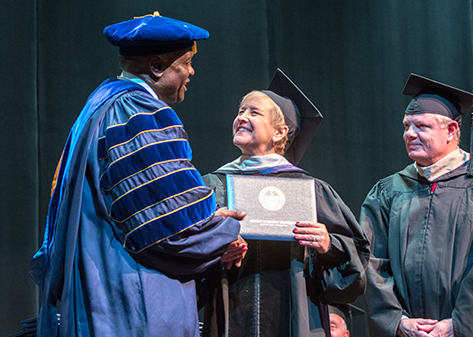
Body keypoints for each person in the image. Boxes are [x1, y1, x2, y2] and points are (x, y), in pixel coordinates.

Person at [29, 12, 245, 337]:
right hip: (134, 298)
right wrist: (221, 226)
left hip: (100, 286)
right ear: (157, 66)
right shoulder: (140, 112)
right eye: (186, 62)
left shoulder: (99, 104)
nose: (191, 72)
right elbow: (168, 225)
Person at [200, 69, 369, 337]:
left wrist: (328, 244)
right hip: (229, 311)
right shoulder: (212, 185)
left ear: (280, 132)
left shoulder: (310, 190)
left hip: (295, 316)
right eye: (241, 111)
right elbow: (181, 249)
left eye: (254, 113)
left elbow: (356, 255)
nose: (242, 117)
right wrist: (212, 247)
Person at [360, 73, 473, 337]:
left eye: (421, 127)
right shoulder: (389, 190)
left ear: (450, 131)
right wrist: (397, 321)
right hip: (407, 331)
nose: (409, 134)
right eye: (406, 126)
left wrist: (458, 324)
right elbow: (371, 261)